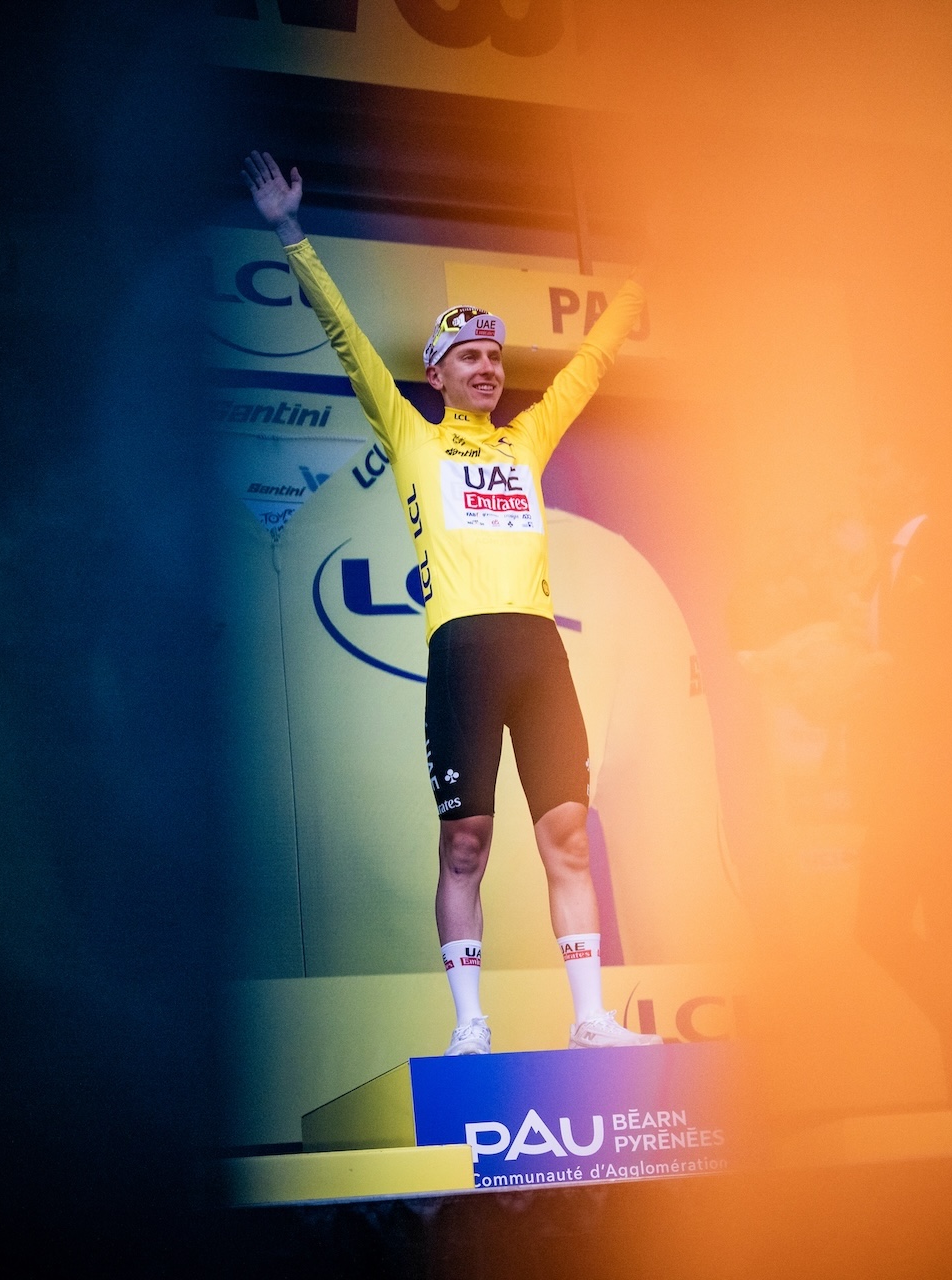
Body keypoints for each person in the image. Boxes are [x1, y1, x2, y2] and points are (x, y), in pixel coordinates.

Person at [242, 150, 660, 1054]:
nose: (487, 368)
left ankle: (591, 1018)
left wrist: (644, 276)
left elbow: (589, 364)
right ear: (435, 373)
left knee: (571, 841)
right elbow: (349, 337)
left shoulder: (526, 438)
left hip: (539, 654)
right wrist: (289, 231)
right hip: (464, 653)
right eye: (469, 355)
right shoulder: (413, 438)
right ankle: (470, 1026)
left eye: (495, 356)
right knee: (465, 844)